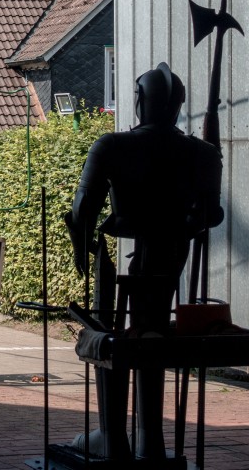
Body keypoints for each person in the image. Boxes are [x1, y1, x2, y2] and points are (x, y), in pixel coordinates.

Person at [64, 62, 223, 462]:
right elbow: (210, 213)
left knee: (114, 333)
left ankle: (115, 435)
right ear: (177, 105)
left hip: (132, 248)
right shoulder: (202, 153)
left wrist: (81, 247)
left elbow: (84, 209)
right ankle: (148, 437)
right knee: (149, 334)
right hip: (173, 250)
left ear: (140, 101)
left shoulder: (113, 146)